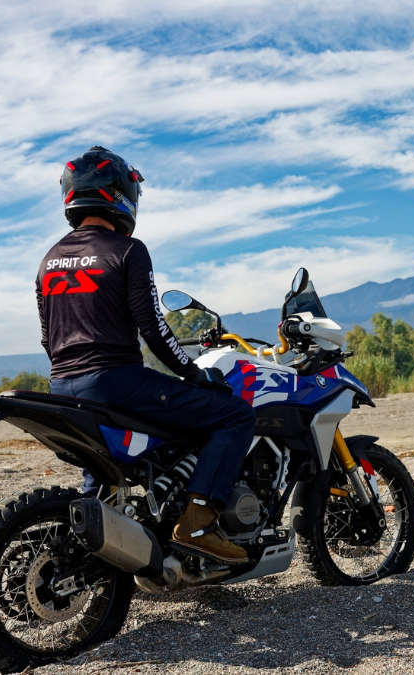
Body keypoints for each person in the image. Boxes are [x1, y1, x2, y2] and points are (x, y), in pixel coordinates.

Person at [36, 146, 254, 564]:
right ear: (118, 192)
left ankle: (98, 540)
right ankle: (199, 523)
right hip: (116, 381)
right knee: (235, 415)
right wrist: (194, 374)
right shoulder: (127, 250)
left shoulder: (49, 260)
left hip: (63, 385)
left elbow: (49, 339)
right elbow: (153, 328)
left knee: (99, 470)